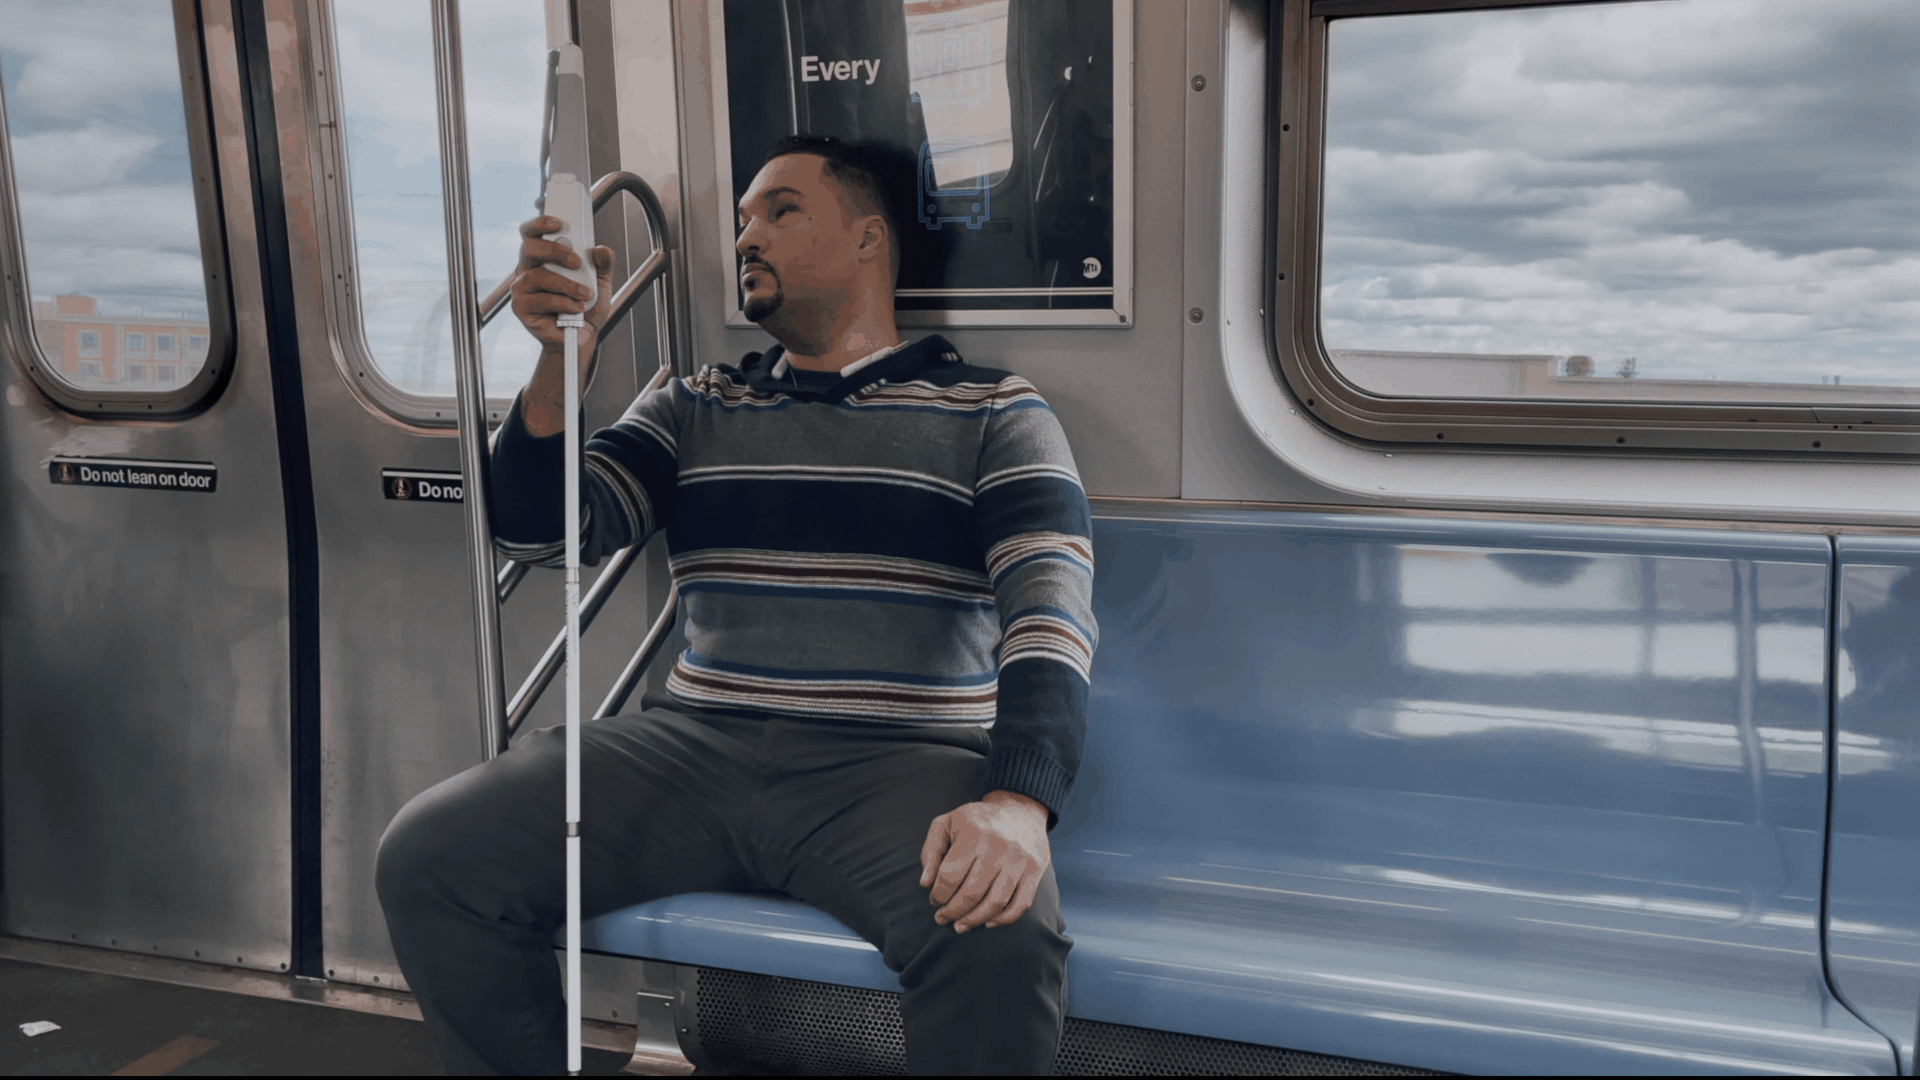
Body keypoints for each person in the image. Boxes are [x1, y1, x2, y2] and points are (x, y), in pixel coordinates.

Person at [374, 134, 1096, 1075]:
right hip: (692, 749)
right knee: (431, 859)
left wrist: (1015, 801)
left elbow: (1051, 614)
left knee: (998, 933)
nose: (748, 235)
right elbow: (540, 533)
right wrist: (562, 369)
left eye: (781, 210)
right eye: (743, 218)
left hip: (893, 760)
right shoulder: (695, 404)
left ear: (870, 238)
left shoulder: (993, 410)